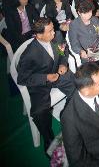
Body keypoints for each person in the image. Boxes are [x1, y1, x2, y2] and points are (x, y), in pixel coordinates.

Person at [17, 18, 75, 152]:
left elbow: (63, 52)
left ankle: (65, 115)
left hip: (56, 73)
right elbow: (22, 78)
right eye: (50, 31)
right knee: (39, 113)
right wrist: (45, 78)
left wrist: (62, 64)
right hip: (40, 83)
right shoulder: (29, 54)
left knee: (76, 84)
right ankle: (49, 139)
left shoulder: (56, 37)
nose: (54, 33)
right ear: (39, 35)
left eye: (53, 30)